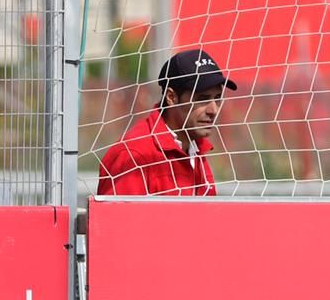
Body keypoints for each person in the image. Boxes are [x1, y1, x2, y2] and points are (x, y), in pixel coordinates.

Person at [97, 48, 237, 196]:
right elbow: (116, 219)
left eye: (217, 98)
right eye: (202, 99)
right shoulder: (134, 155)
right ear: (171, 97)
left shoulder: (195, 147)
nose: (213, 110)